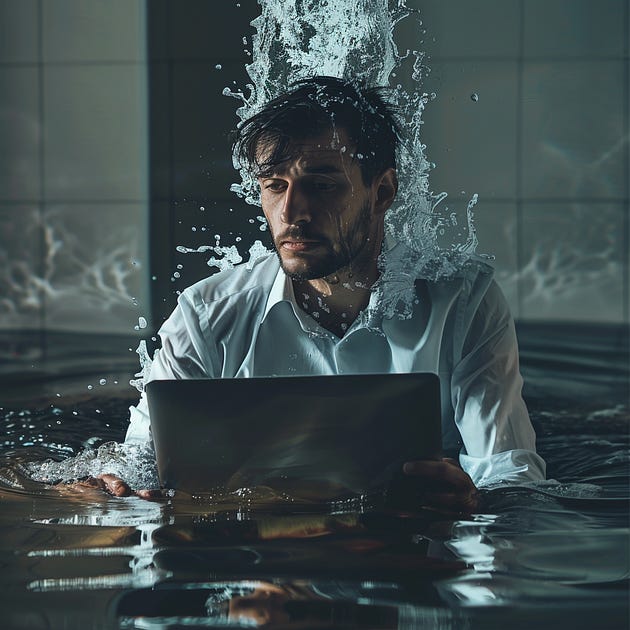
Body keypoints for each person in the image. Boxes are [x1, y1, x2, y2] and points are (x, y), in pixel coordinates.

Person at [95, 76, 545, 509]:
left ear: (382, 191)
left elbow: (510, 471)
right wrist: (116, 483)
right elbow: (143, 453)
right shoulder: (207, 314)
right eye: (275, 185)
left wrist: (472, 498)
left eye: (322, 185)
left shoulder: (462, 302)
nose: (291, 211)